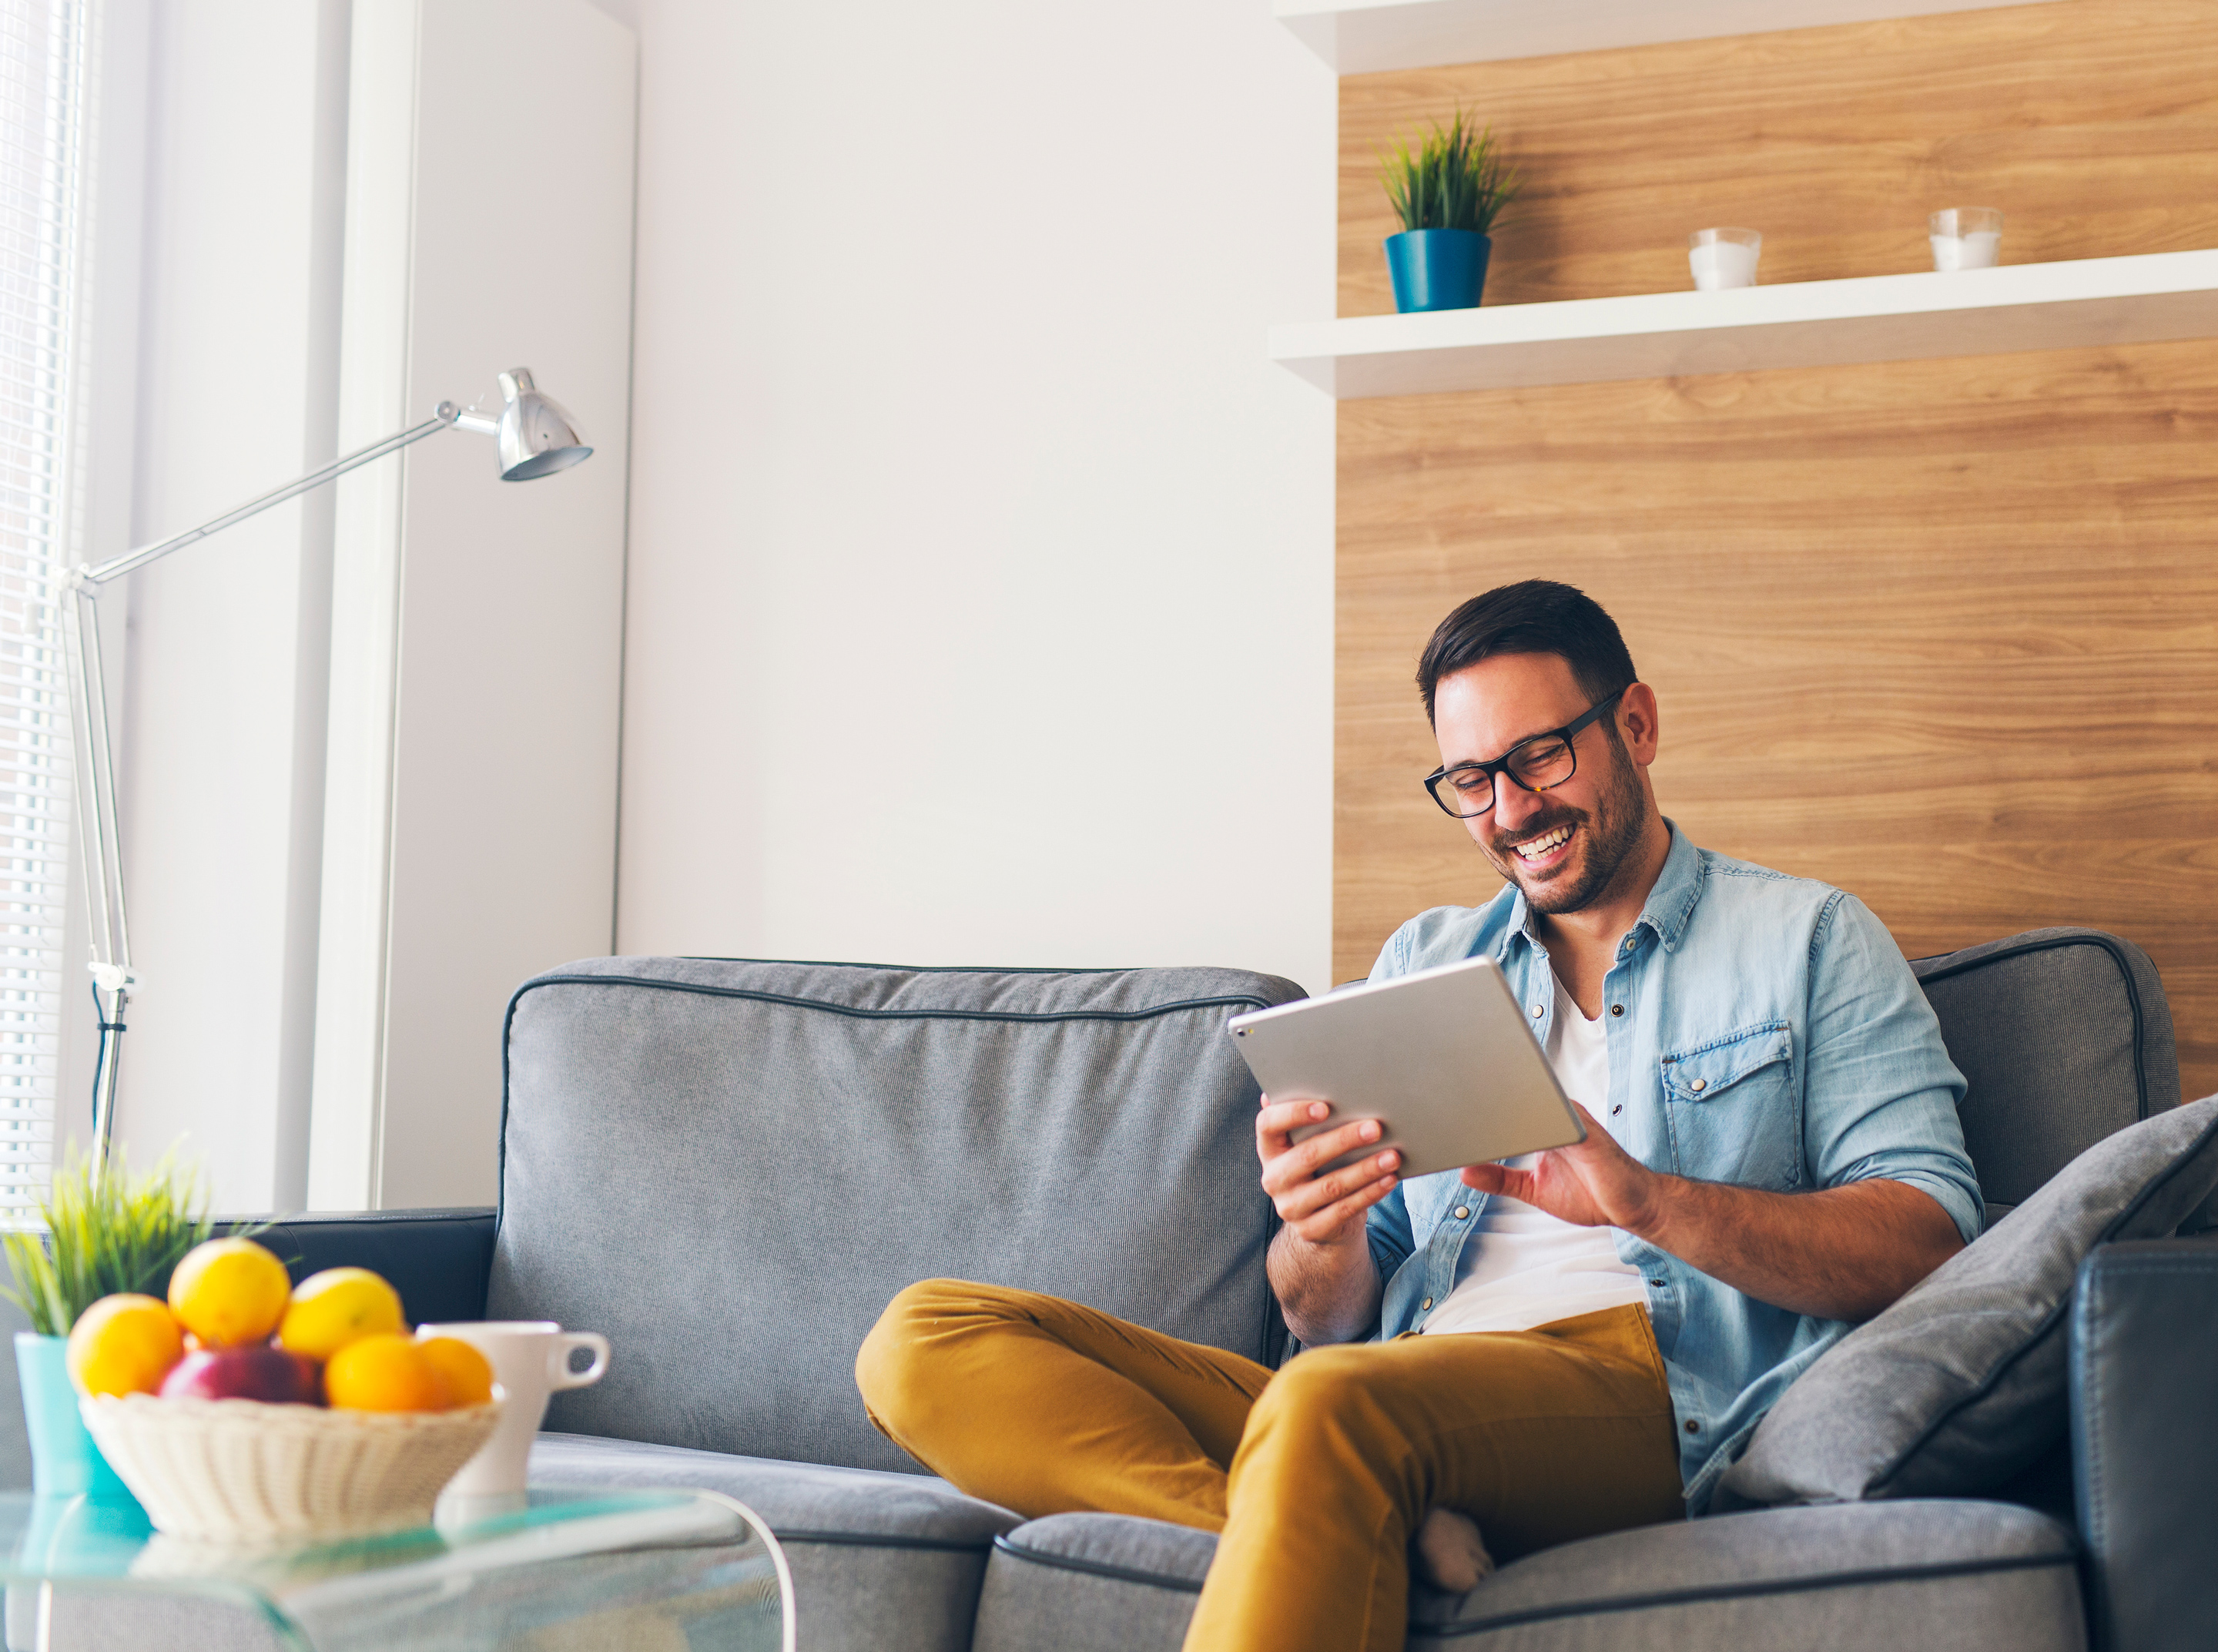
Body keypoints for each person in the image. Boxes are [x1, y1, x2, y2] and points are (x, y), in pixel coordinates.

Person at [855, 580, 1982, 1652]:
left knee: (1336, 1408)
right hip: (1394, 1377)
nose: (1511, 809)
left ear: (1634, 723)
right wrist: (1322, 1232)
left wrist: (1648, 1202)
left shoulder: (1809, 939)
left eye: (1540, 754)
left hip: (1645, 1386)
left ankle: (1342, 1494)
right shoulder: (1430, 962)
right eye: (1472, 779)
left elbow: (1928, 1240)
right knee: (925, 1339)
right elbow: (1328, 1320)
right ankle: (1342, 1513)